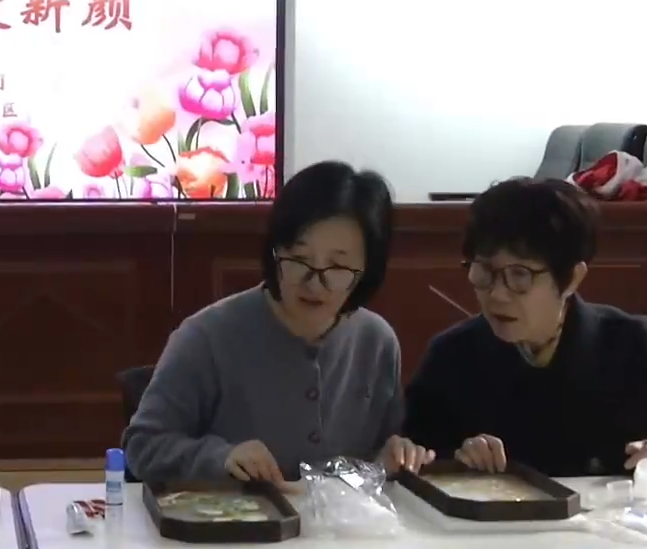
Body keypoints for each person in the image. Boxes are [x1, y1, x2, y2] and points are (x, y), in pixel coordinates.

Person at [398, 177, 647, 478]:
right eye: (484, 271)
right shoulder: (453, 356)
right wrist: (457, 458)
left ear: (572, 279)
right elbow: (417, 447)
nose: (497, 294)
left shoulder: (636, 346)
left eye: (520, 275)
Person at [122, 161, 422, 483]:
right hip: (238, 515)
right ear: (275, 252)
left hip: (343, 516)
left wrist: (391, 456)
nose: (314, 283)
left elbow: (379, 454)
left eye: (337, 267)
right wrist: (221, 458)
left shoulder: (377, 343)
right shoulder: (207, 337)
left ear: (366, 271)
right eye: (299, 259)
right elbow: (142, 447)